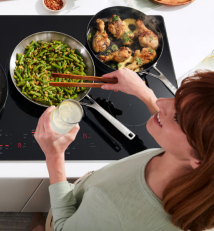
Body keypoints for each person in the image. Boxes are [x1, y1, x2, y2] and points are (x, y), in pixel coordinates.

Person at [31, 68, 214, 231]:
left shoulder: (115, 206)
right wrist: (144, 92)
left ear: (198, 159)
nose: (161, 103)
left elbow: (64, 228)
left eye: (177, 118)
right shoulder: (198, 178)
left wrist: (54, 154)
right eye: (177, 97)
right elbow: (184, 137)